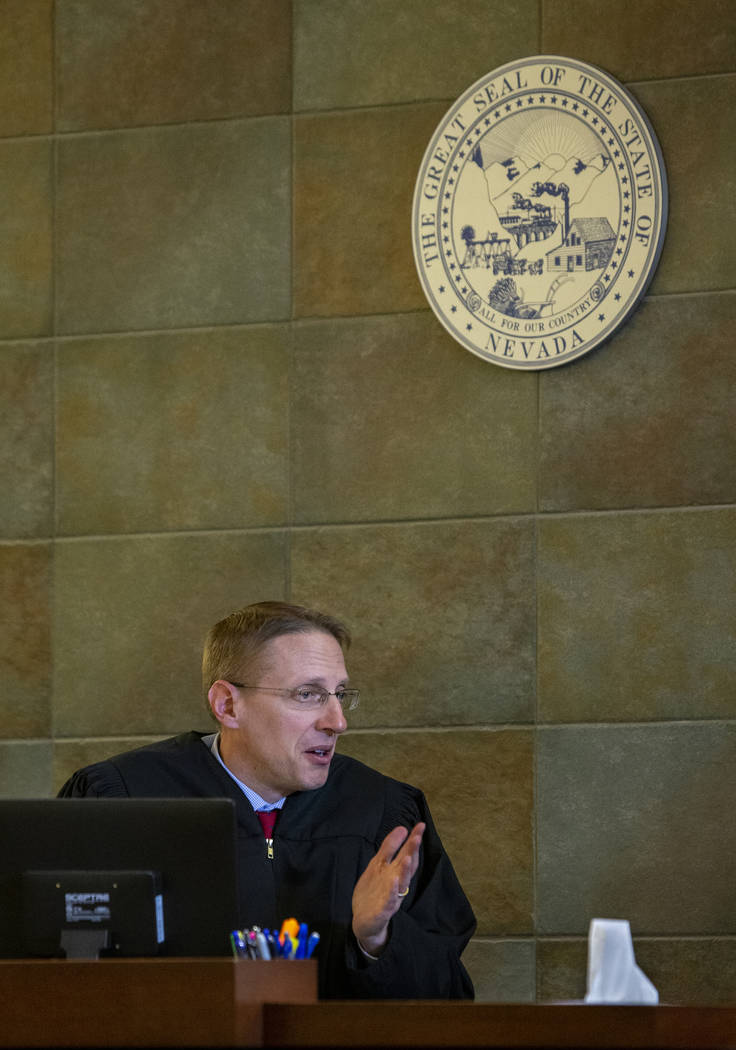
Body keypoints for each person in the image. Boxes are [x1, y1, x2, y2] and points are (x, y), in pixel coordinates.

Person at [59, 601, 476, 999]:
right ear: (228, 704)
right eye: (307, 694)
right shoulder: (121, 801)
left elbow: (446, 994)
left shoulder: (382, 813)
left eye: (340, 694)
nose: (338, 722)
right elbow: (57, 970)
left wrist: (375, 938)